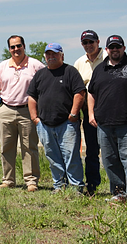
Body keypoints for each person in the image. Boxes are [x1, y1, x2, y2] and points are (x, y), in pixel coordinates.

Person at [87, 35, 127, 206]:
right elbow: (91, 93)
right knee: (110, 161)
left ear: (123, 48)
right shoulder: (100, 69)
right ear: (107, 50)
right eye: (112, 47)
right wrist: (91, 114)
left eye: (118, 47)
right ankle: (119, 193)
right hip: (105, 124)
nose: (115, 50)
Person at [27, 43, 86, 194]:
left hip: (67, 124)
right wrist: (35, 118)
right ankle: (59, 186)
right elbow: (32, 97)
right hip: (44, 124)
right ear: (45, 56)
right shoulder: (40, 74)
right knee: (52, 157)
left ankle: (76, 188)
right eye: (48, 54)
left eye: (54, 54)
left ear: (62, 55)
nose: (51, 57)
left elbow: (79, 93)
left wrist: (73, 115)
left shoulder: (70, 71)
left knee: (71, 156)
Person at [0, 35, 44, 192]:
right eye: (12, 47)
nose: (16, 49)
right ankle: (8, 180)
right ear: (9, 49)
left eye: (18, 46)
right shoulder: (2, 66)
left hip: (27, 110)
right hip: (6, 109)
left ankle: (31, 181)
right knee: (6, 147)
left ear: (24, 46)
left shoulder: (35, 65)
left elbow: (45, 86)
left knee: (29, 147)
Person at [73, 30, 108, 195]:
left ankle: (121, 187)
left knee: (114, 151)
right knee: (92, 152)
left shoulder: (109, 58)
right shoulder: (79, 63)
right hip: (89, 114)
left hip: (110, 112)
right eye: (85, 43)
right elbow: (75, 89)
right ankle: (92, 185)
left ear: (98, 42)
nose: (88, 45)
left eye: (91, 42)